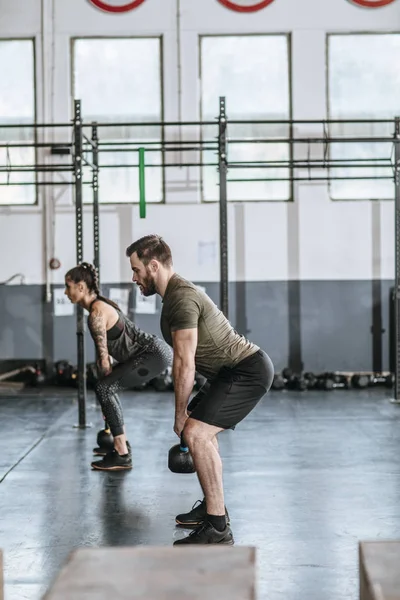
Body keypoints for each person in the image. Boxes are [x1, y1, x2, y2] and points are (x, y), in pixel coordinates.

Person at [126, 235, 274, 545]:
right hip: (228, 373)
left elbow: (184, 362)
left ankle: (218, 527)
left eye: (137, 270)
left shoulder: (181, 297)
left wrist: (180, 413)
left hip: (246, 371)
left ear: (153, 266)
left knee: (194, 432)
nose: (134, 277)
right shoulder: (174, 296)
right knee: (199, 430)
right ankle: (212, 508)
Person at [64, 262, 173, 471]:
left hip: (153, 354)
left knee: (105, 387)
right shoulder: (101, 305)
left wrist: (106, 389)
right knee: (106, 387)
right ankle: (121, 445)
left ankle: (122, 452)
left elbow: (105, 360)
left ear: (80, 287)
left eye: (68, 286)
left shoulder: (97, 313)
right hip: (150, 354)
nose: (66, 292)